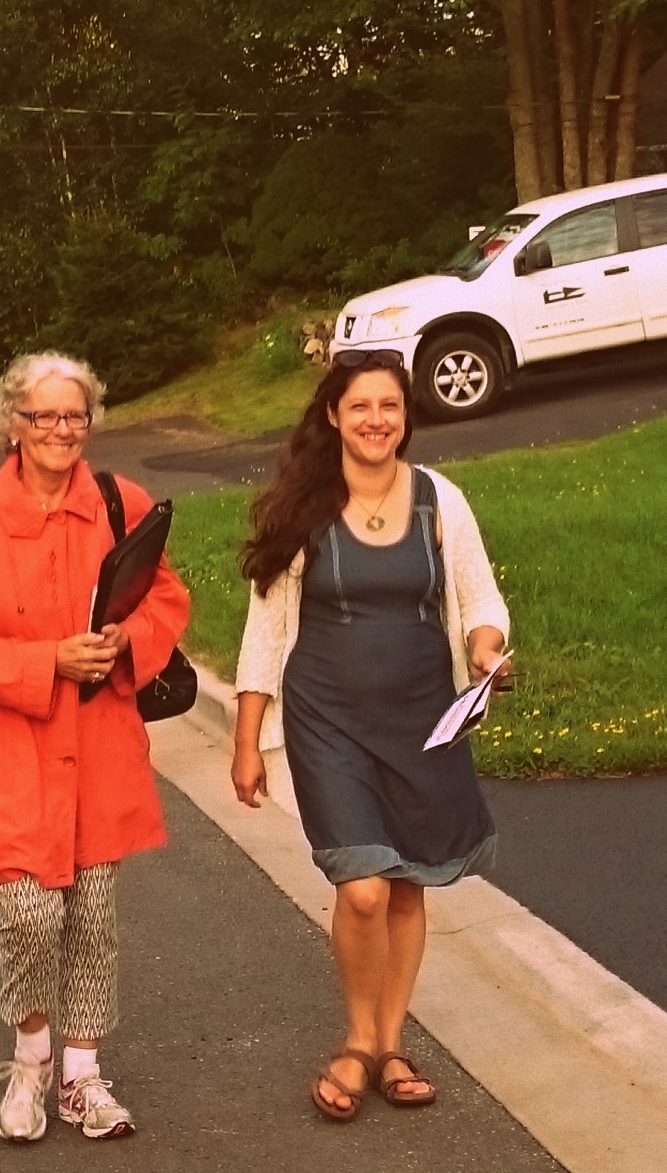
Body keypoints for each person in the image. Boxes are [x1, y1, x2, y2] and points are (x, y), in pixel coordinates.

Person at [0, 352, 190, 1143]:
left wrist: (125, 642)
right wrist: (47, 663)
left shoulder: (119, 500)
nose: (61, 431)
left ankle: (83, 1077)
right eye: (44, 417)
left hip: (98, 744)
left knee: (94, 914)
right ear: (13, 423)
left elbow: (165, 594)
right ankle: (31, 1062)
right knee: (30, 913)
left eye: (75, 416)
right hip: (5, 746)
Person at [230, 348, 510, 1123]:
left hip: (423, 719)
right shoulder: (303, 507)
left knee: (408, 881)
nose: (376, 419)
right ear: (333, 415)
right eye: (360, 406)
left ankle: (390, 1045)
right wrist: (247, 738)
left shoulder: (439, 501)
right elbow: (265, 632)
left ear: (405, 415)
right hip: (329, 722)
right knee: (362, 890)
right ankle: (357, 1039)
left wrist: (486, 649)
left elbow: (480, 597)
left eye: (390, 405)